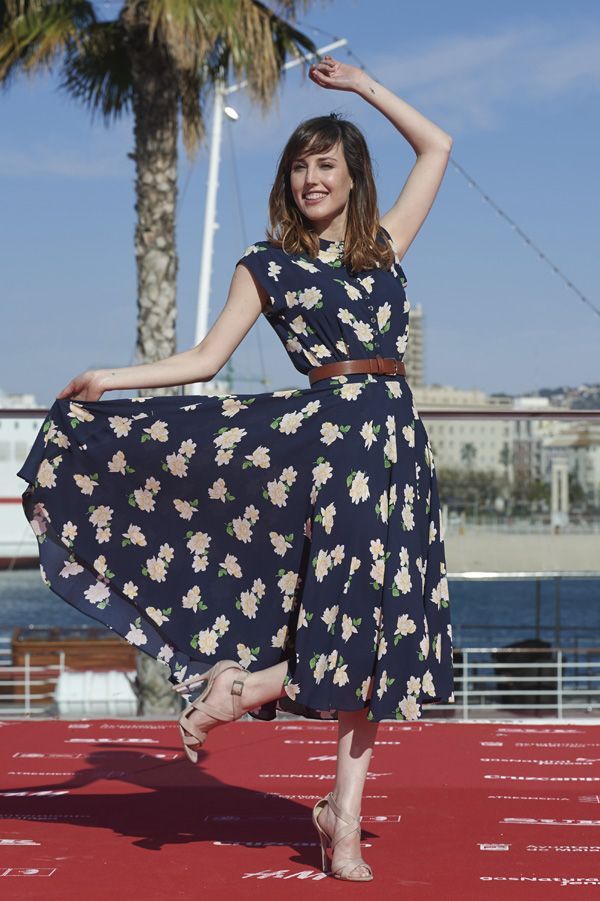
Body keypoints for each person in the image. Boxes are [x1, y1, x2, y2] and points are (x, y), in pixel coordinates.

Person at [17, 55, 455, 881]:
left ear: (355, 177)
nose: (311, 178)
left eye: (327, 165)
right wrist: (113, 378)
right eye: (300, 165)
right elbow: (205, 357)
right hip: (328, 453)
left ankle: (337, 806)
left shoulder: (384, 247)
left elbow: (437, 146)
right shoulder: (268, 264)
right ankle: (267, 715)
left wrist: (364, 89)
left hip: (398, 450)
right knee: (355, 626)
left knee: (383, 626)